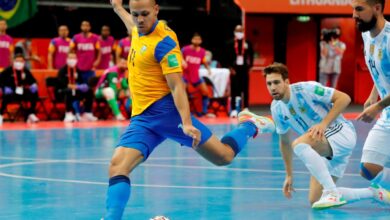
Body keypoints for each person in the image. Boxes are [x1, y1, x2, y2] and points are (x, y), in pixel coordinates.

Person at [104, 0, 275, 219]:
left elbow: (177, 86)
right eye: (135, 14)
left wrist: (185, 122)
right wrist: (118, 8)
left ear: (156, 9)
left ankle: (250, 125)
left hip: (167, 113)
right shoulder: (138, 29)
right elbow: (132, 27)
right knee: (117, 167)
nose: (139, 20)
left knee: (223, 157)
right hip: (142, 118)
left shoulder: (165, 42)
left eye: (144, 14)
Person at [265, 62, 367, 209]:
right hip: (323, 145)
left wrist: (323, 124)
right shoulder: (276, 108)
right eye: (269, 84)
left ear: (287, 82)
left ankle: (332, 192)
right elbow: (284, 142)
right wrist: (289, 175)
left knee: (299, 145)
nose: (273, 87)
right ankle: (374, 193)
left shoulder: (305, 89)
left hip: (341, 132)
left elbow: (344, 98)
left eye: (276, 82)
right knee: (315, 200)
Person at [353, 0, 390, 204]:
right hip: (388, 113)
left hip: (385, 108)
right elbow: (381, 69)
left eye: (359, 9)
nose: (354, 15)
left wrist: (378, 105)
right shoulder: (366, 35)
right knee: (368, 168)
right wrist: (373, 95)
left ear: (377, 8)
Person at [57, 51, 97, 122]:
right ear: (67, 59)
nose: (72, 60)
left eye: (74, 58)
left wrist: (82, 86)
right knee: (68, 91)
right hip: (63, 91)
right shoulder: (62, 70)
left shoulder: (77, 70)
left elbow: (81, 82)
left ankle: (87, 113)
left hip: (76, 90)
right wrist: (72, 86)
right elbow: (61, 83)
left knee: (89, 91)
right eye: (70, 58)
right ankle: (68, 113)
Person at [0, 54, 39, 124]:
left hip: (22, 91)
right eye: (17, 61)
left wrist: (34, 85)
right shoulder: (7, 70)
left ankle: (31, 113)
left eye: (21, 61)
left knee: (34, 93)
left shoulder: (25, 71)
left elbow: (33, 81)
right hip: (11, 92)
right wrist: (3, 87)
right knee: (5, 97)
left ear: (23, 62)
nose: (19, 63)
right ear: (13, 61)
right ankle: (0, 114)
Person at [225, 25, 254, 118]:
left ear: (243, 31)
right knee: (234, 88)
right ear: (234, 31)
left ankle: (245, 107)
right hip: (234, 68)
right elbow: (225, 56)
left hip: (244, 68)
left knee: (245, 88)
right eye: (237, 30)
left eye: (241, 30)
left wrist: (251, 66)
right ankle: (233, 109)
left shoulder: (247, 42)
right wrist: (230, 68)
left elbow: (252, 54)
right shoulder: (230, 42)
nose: (239, 32)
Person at [181, 32, 212, 117]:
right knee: (182, 93)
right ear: (192, 40)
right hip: (185, 76)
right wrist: (182, 61)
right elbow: (178, 55)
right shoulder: (185, 49)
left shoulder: (202, 51)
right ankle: (185, 113)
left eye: (199, 39)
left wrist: (208, 69)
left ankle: (204, 112)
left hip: (196, 77)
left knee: (206, 92)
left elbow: (204, 61)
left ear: (201, 41)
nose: (197, 40)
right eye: (195, 39)